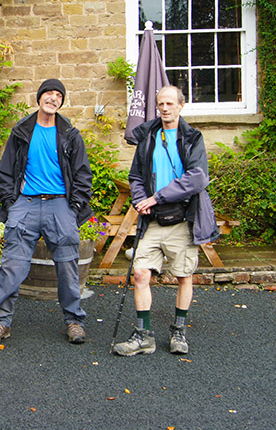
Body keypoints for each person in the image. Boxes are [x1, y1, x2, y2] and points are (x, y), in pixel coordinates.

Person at [0, 78, 93, 345]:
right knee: (12, 266)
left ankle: (73, 321)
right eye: (48, 93)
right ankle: (1, 323)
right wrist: (12, 204)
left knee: (68, 266)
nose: (53, 98)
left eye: (58, 95)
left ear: (61, 102)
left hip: (60, 206)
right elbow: (6, 173)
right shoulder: (21, 132)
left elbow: (82, 175)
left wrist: (74, 206)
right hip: (26, 204)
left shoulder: (70, 134)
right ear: (39, 97)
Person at [113, 85, 219, 356]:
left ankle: (178, 331)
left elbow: (197, 178)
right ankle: (143, 335)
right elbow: (136, 177)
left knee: (184, 276)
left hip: (182, 218)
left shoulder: (192, 137)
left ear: (181, 106)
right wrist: (140, 200)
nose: (165, 108)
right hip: (153, 220)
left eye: (171, 103)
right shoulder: (148, 137)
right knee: (140, 273)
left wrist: (157, 197)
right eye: (161, 103)